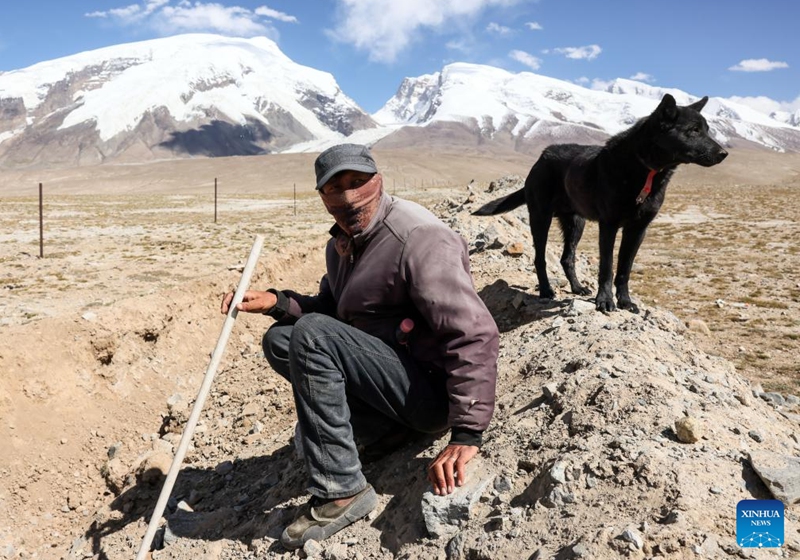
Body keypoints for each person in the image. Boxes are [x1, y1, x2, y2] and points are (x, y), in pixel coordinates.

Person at [220, 143, 499, 549]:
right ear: (322, 198)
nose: (349, 197)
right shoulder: (343, 244)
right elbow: (334, 312)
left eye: (358, 182)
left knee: (312, 334)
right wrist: (277, 302)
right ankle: (381, 431)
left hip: (431, 392)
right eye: (336, 189)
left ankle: (342, 489)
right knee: (282, 339)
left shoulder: (418, 238)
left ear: (378, 181)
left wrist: (467, 433)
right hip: (393, 379)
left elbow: (472, 332)